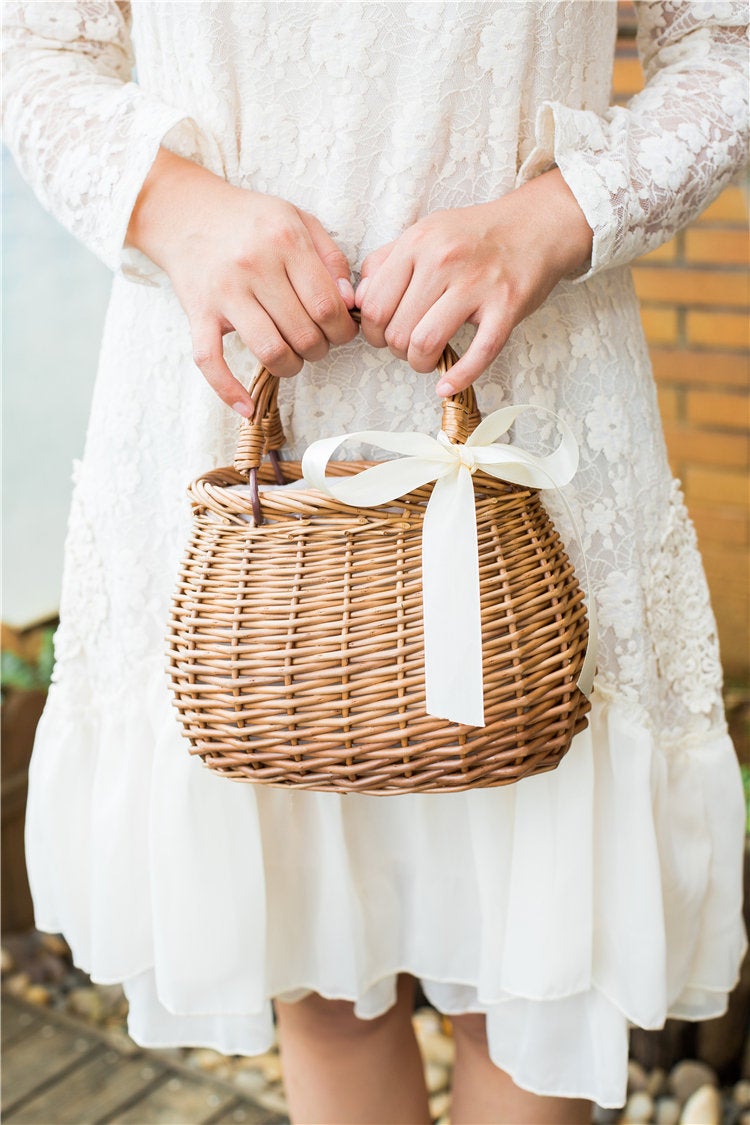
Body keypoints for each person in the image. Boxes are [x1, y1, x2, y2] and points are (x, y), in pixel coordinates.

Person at [3, 2, 748, 1122]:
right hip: (236, 431)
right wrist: (180, 212)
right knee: (320, 974)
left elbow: (729, 42)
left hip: (527, 416)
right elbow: (37, 49)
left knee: (535, 965)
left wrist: (557, 214)